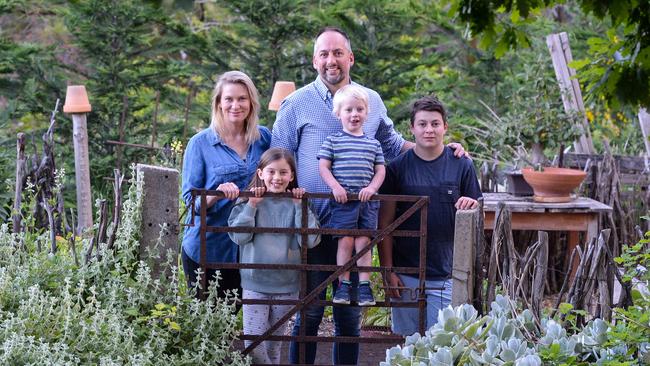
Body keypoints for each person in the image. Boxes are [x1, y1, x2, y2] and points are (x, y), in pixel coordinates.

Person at [271, 26, 466, 365]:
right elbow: (279, 157)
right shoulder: (296, 103)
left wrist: (439, 148)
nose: (331, 60)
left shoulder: (371, 100)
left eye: (338, 53)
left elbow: (393, 146)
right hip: (313, 224)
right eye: (324, 54)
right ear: (315, 60)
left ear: (350, 58)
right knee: (311, 310)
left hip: (359, 221)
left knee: (349, 313)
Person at [378, 95, 482, 336]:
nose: (429, 130)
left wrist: (472, 204)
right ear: (412, 128)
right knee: (409, 345)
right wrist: (388, 271)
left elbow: (477, 211)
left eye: (435, 124)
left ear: (445, 127)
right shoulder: (397, 168)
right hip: (405, 275)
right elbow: (385, 224)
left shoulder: (461, 165)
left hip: (447, 273)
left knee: (442, 344)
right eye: (422, 124)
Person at [181, 70, 271, 303]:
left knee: (232, 319)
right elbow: (190, 204)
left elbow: (282, 175)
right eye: (229, 99)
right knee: (206, 324)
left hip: (248, 250)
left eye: (242, 98)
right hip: (208, 249)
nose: (235, 105)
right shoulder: (200, 144)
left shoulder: (264, 140)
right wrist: (216, 194)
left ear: (251, 102)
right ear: (219, 103)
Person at [228, 148, 321, 364]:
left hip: (287, 286)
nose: (277, 178)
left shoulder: (299, 202)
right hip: (255, 283)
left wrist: (300, 208)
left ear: (291, 176)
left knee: (274, 345)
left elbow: (309, 240)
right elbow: (238, 238)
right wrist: (251, 206)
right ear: (260, 173)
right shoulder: (247, 200)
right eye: (271, 172)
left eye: (283, 173)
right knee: (254, 345)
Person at [318, 84, 385, 306]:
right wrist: (336, 188)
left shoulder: (373, 144)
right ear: (338, 114)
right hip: (343, 201)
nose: (354, 114)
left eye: (359, 109)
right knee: (345, 241)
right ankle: (343, 285)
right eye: (348, 110)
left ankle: (364, 286)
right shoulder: (333, 141)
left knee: (364, 242)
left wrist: (372, 189)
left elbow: (380, 170)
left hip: (366, 202)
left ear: (366, 113)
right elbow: (324, 167)